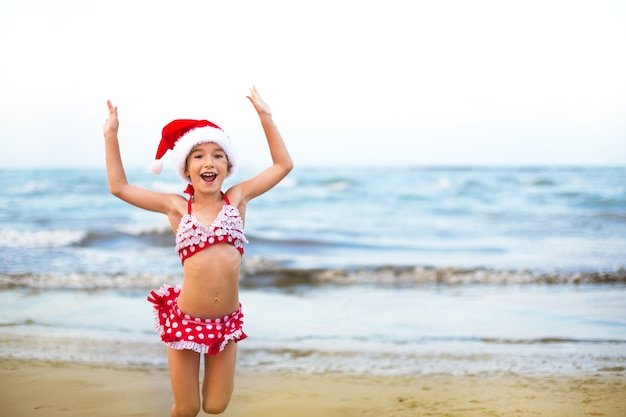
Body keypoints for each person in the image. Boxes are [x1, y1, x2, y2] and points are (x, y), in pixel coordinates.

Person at [102, 86, 293, 416]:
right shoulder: (177, 207)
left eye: (218, 155)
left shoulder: (238, 198)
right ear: (186, 168)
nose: (209, 162)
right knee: (187, 409)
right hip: (185, 321)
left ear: (227, 165)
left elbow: (282, 165)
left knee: (216, 407)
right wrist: (111, 135)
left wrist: (266, 116)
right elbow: (119, 187)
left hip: (226, 324)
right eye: (199, 155)